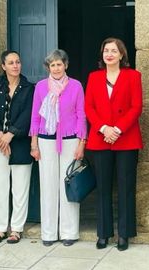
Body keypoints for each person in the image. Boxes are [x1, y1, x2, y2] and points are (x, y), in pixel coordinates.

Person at [84, 37, 143, 251]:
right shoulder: (93, 77)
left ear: (121, 55)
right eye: (106, 50)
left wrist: (117, 129)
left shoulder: (133, 76)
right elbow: (88, 107)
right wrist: (103, 128)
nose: (109, 54)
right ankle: (103, 233)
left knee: (126, 188)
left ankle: (124, 235)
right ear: (102, 55)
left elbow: (136, 107)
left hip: (126, 139)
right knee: (103, 188)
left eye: (114, 50)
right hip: (100, 139)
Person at [30, 49, 86, 247]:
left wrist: (82, 143)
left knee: (68, 184)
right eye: (52, 65)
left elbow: (81, 114)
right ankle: (48, 233)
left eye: (59, 64)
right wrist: (33, 143)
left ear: (66, 65)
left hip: (70, 140)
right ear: (48, 67)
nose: (56, 68)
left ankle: (69, 232)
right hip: (46, 140)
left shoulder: (76, 86)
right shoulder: (41, 86)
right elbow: (35, 116)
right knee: (48, 186)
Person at [0, 50, 34, 244]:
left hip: (21, 144)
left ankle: (16, 229)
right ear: (3, 66)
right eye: (11, 63)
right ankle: (0, 228)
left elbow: (28, 115)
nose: (16, 66)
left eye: (18, 62)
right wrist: (0, 136)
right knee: (0, 187)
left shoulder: (29, 88)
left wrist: (10, 134)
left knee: (20, 188)